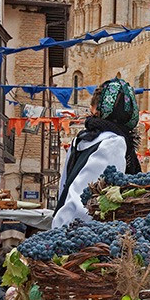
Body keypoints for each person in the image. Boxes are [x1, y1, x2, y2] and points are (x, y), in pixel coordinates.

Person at [52, 77, 141, 228]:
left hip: (64, 226)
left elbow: (65, 190)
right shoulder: (113, 142)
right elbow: (87, 203)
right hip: (83, 235)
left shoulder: (82, 139)